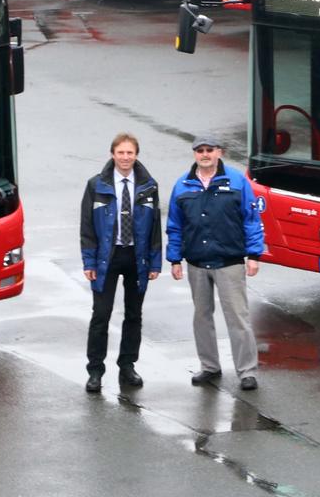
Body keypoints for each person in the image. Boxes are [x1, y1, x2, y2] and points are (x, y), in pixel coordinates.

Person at [166, 135, 265, 391]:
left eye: (210, 150)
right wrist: (174, 259)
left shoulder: (236, 181)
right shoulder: (182, 185)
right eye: (200, 150)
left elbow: (251, 219)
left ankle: (247, 372)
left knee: (238, 318)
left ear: (219, 152)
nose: (205, 154)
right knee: (201, 317)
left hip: (229, 261)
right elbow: (175, 226)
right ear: (195, 154)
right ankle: (210, 366)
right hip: (197, 263)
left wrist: (254, 255)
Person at [81, 132, 161, 393]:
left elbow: (155, 228)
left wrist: (155, 263)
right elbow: (87, 227)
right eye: (121, 152)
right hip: (108, 258)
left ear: (136, 155)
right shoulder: (96, 185)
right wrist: (89, 262)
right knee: (100, 315)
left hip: (137, 258)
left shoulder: (149, 185)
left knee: (134, 315)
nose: (125, 157)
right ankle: (95, 370)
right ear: (112, 154)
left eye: (130, 153)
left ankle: (127, 366)